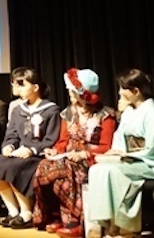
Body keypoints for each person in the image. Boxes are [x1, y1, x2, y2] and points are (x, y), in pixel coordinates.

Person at [85, 69, 154, 238]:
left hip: (152, 164)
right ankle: (104, 223)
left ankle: (123, 227)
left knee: (112, 172)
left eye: (123, 88)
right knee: (97, 169)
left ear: (136, 91)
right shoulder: (129, 113)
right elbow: (119, 139)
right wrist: (116, 152)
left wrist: (127, 156)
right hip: (131, 161)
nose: (119, 92)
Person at [33, 68, 117, 236]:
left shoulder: (106, 115)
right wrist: (54, 150)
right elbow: (63, 141)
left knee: (71, 169)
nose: (69, 94)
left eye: (72, 91)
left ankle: (75, 219)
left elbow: (106, 146)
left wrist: (84, 153)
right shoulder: (68, 113)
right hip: (67, 156)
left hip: (92, 158)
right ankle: (55, 214)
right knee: (44, 165)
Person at [0, 68, 61, 229]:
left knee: (15, 167)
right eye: (16, 85)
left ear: (35, 87)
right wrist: (8, 146)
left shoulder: (50, 110)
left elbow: (51, 138)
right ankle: (13, 211)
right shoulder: (17, 110)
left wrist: (32, 150)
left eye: (22, 85)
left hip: (38, 154)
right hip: (19, 153)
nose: (18, 88)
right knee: (0, 163)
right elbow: (12, 134)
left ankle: (26, 212)